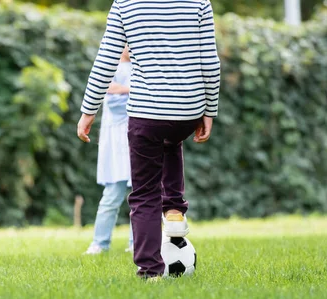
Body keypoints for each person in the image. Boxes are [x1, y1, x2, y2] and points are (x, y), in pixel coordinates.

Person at [77, 0, 221, 279]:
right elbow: (210, 62)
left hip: (146, 112)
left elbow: (106, 59)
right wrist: (209, 110)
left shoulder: (125, 3)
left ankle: (150, 270)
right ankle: (176, 208)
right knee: (171, 140)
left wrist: (88, 110)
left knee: (144, 194)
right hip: (187, 109)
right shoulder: (199, 2)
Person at [84, 46, 134, 255]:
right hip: (115, 143)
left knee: (142, 196)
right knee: (111, 196)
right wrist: (131, 90)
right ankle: (100, 242)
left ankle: (137, 243)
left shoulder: (141, 67)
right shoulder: (111, 67)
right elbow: (113, 100)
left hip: (138, 139)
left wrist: (124, 89)